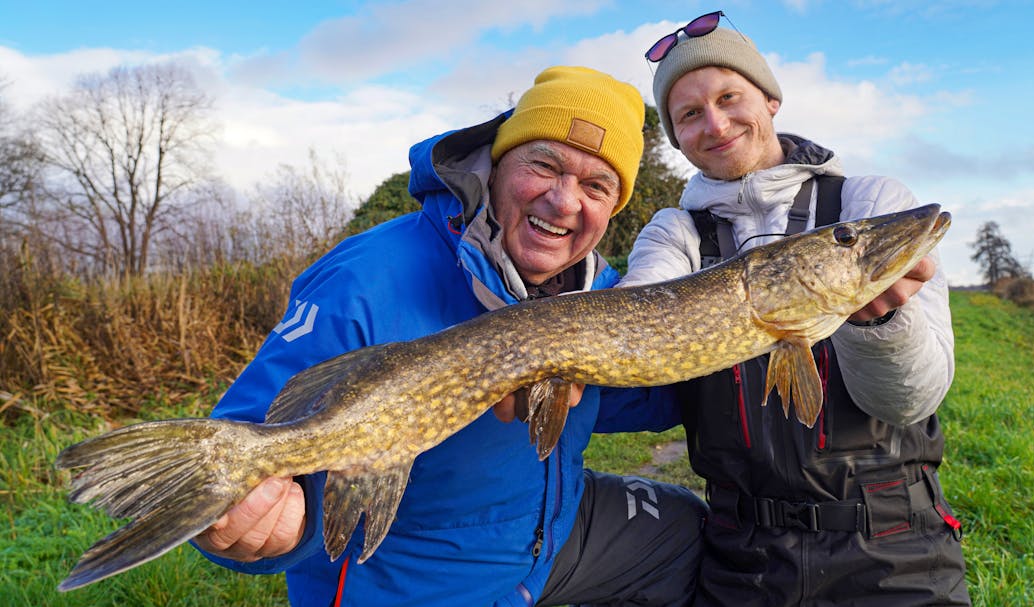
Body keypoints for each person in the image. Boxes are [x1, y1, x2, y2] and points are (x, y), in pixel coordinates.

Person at [191, 65, 706, 607]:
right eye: (544, 165)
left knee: (685, 532)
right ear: (497, 164)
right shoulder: (367, 280)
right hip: (415, 580)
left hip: (540, 545)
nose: (563, 201)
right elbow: (248, 438)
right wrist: (257, 527)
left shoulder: (594, 291)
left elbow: (629, 398)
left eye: (596, 186)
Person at [619, 12, 971, 606]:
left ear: (771, 99)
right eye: (689, 115)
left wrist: (880, 322)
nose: (716, 123)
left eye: (730, 97)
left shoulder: (866, 200)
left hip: (894, 543)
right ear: (676, 137)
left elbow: (911, 401)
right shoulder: (673, 232)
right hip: (744, 552)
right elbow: (634, 311)